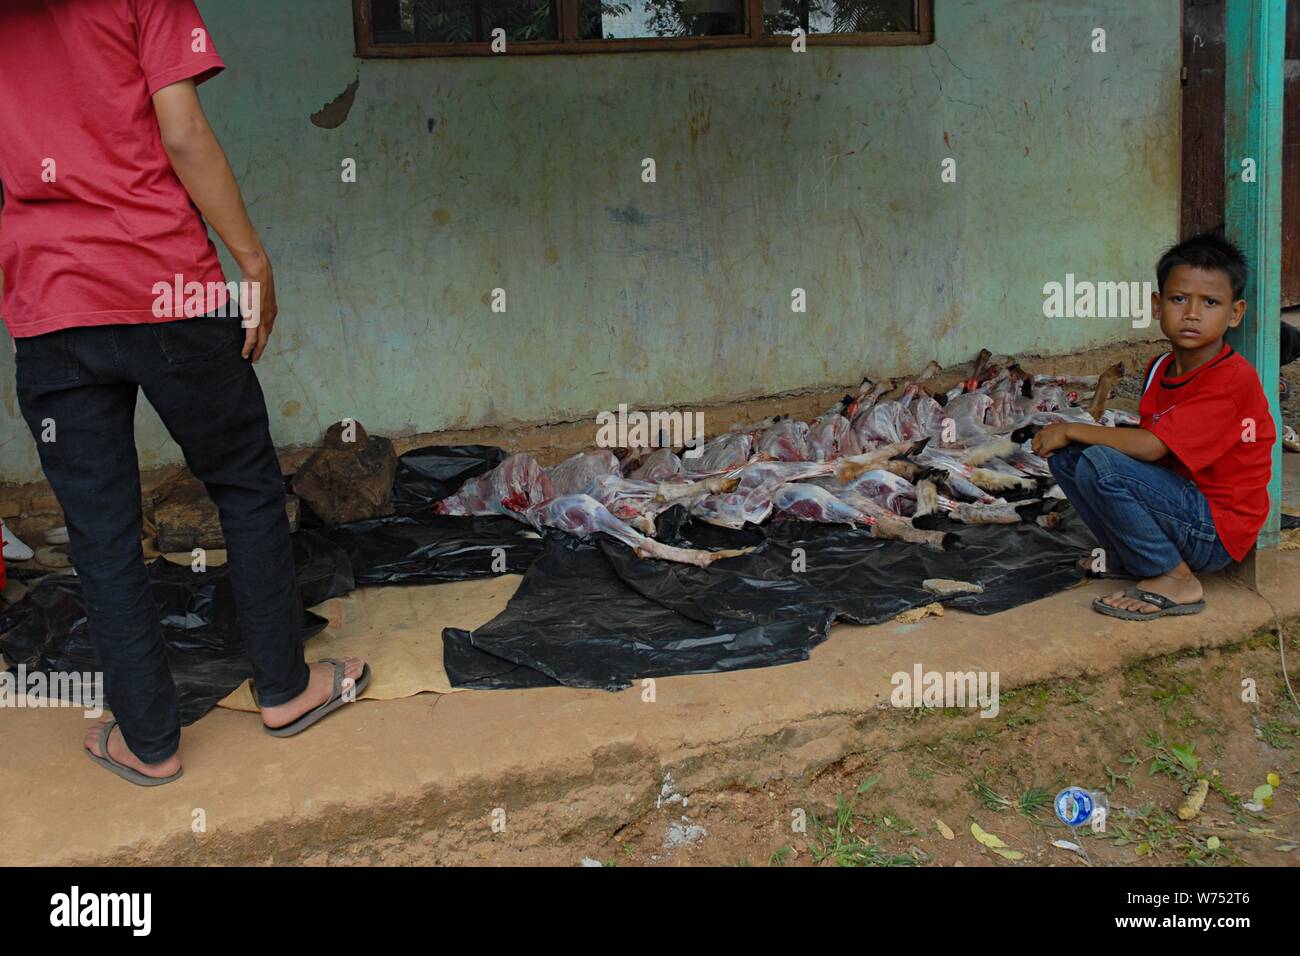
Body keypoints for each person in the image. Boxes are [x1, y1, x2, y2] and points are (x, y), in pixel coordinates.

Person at [0, 0, 368, 786]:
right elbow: (183, 132)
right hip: (170, 290)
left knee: (99, 533)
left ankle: (150, 743)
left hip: (51, 309)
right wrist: (255, 263)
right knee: (244, 484)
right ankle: (285, 689)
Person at [1032, 231, 1275, 620]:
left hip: (1215, 530)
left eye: (1210, 302)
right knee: (1071, 459)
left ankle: (1176, 578)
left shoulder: (1231, 380)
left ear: (1235, 313)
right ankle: (1135, 558)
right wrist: (1070, 439)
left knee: (1100, 461)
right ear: (1158, 305)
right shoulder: (1159, 367)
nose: (1192, 313)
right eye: (1179, 299)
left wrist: (1070, 427)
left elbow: (1151, 448)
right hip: (1182, 505)